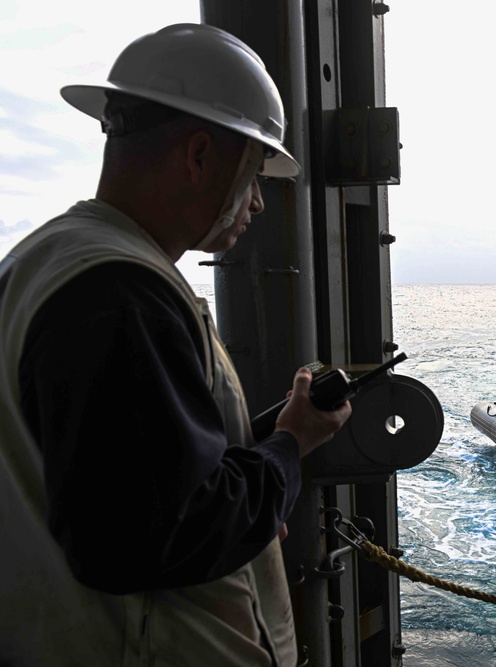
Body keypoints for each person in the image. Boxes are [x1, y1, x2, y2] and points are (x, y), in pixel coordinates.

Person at [0, 24, 350, 666]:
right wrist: (290, 447)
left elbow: (123, 479)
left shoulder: (45, 261)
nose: (258, 204)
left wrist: (242, 472)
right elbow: (155, 534)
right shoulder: (120, 293)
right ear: (198, 156)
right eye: (254, 173)